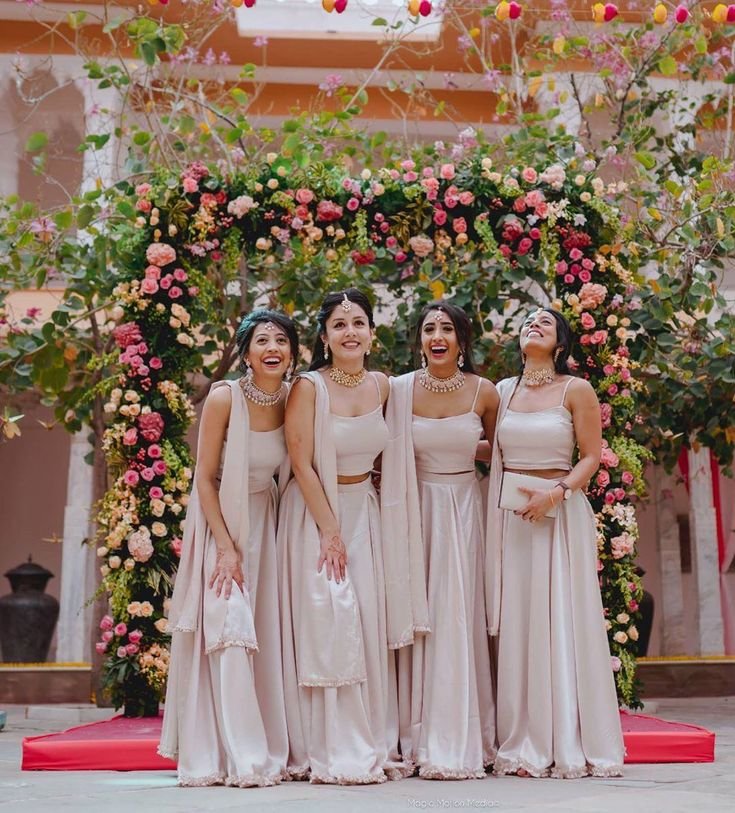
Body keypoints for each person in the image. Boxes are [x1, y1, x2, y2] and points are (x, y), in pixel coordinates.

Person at [159, 309, 298, 787]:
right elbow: (202, 478)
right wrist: (225, 548)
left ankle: (263, 744)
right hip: (219, 521)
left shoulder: (292, 398)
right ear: (246, 352)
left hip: (267, 520)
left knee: (261, 636)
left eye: (281, 340)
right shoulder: (224, 398)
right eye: (262, 340)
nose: (272, 348)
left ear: (293, 351)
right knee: (228, 631)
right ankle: (238, 755)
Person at [485, 306, 624, 779]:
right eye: (528, 321)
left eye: (545, 322)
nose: (534, 325)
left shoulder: (575, 389)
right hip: (513, 518)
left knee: (563, 617)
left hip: (560, 514)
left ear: (560, 343)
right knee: (521, 621)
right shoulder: (504, 391)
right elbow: (490, 450)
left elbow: (590, 457)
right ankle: (524, 736)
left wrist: (556, 493)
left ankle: (568, 735)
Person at [279, 288, 409, 785]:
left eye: (358, 323)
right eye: (339, 324)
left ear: (372, 333)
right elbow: (300, 461)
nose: (349, 332)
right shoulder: (308, 387)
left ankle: (371, 736)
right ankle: (330, 743)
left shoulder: (383, 387)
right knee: (330, 620)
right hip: (315, 515)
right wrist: (330, 530)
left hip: (365, 513)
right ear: (324, 336)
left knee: (366, 622)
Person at [381, 300, 499, 779]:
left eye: (446, 328)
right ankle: (415, 731)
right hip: (414, 508)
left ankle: (465, 730)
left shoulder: (485, 392)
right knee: (421, 614)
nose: (437, 336)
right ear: (419, 340)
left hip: (466, 510)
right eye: (429, 329)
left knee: (458, 614)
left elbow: (502, 450)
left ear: (461, 340)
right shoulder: (398, 390)